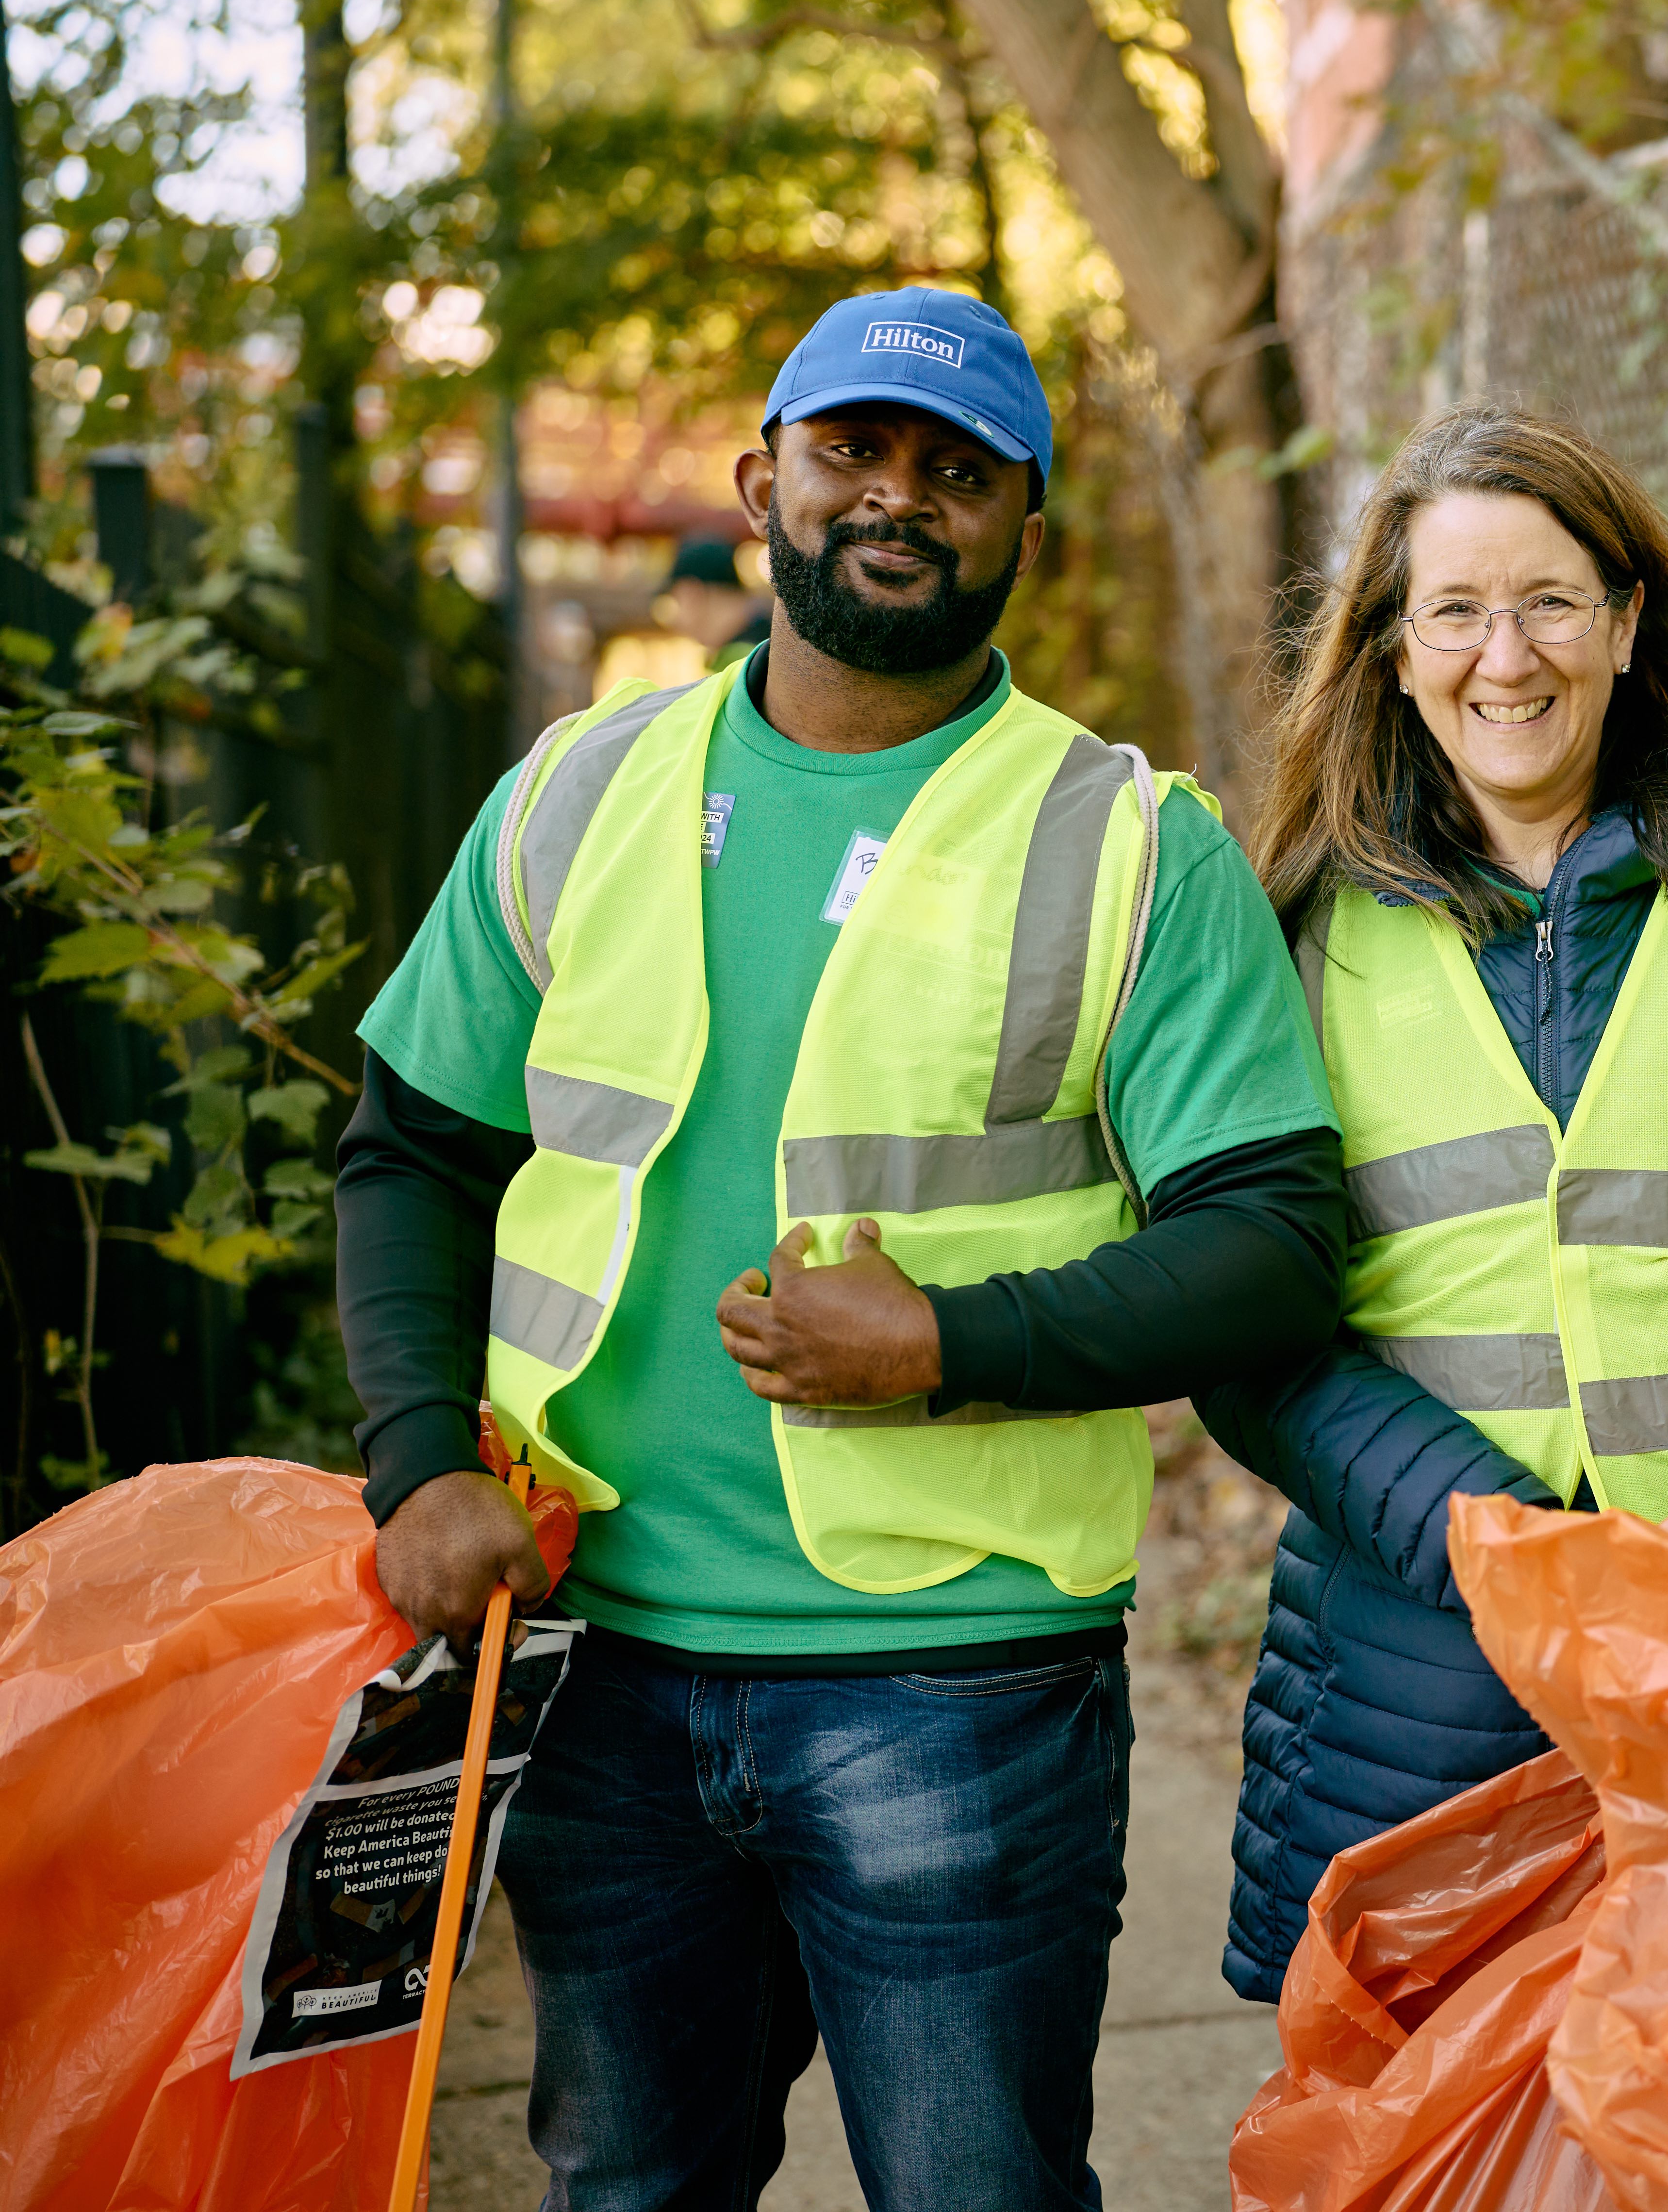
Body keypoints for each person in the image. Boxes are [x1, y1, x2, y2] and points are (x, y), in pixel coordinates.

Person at [332, 285, 1346, 2209]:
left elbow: (1275, 1245)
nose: (902, 495)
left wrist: (950, 1338)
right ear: (758, 484)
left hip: (958, 1687)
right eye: (855, 451)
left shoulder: (1129, 842)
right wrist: (419, 1458)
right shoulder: (572, 798)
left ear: (1025, 528)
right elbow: (411, 1152)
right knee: (630, 2186)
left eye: (960, 471)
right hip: (597, 1662)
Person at [1197, 403, 1668, 2000]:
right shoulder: (1288, 937)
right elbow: (1246, 1314)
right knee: (1410, 2139)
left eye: (1544, 602)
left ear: (1623, 623)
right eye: (1451, 610)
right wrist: (1481, 1536)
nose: (1500, 655)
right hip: (1413, 1666)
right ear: (1393, 652)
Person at [658, 530, 773, 672]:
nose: (673, 620)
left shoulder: (743, 663)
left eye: (675, 600)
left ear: (693, 594)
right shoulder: (769, 640)